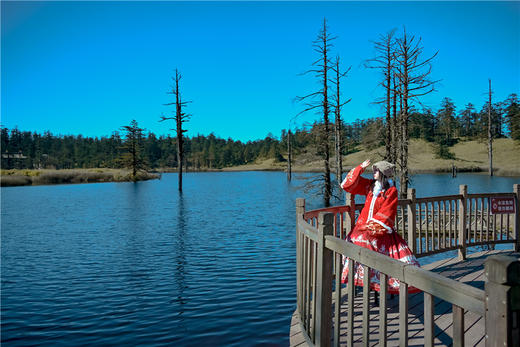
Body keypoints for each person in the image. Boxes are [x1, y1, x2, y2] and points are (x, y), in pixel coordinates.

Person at [340, 159, 420, 294]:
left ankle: (374, 279)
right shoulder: (370, 186)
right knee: (353, 240)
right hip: (362, 226)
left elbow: (387, 211)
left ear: (383, 173)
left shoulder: (391, 191)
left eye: (376, 170)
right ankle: (359, 276)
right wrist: (360, 167)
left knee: (370, 241)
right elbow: (348, 185)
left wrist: (373, 227)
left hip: (380, 228)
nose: (374, 172)